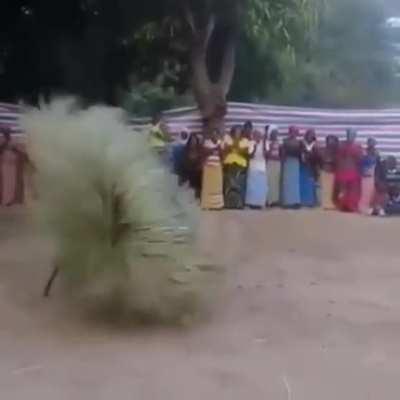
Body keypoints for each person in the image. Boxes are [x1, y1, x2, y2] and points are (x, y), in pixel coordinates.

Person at [335, 128, 362, 212]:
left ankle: (351, 206)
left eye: (353, 134)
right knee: (343, 188)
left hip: (353, 170)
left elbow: (360, 159)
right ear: (346, 135)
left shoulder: (357, 146)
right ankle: (343, 205)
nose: (351, 136)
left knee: (353, 189)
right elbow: (338, 158)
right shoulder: (341, 145)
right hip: (343, 169)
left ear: (355, 136)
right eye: (349, 134)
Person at [223, 125, 250, 209]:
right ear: (233, 131)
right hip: (230, 165)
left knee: (239, 185)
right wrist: (236, 148)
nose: (237, 133)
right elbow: (225, 149)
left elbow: (246, 152)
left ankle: (239, 204)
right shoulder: (228, 139)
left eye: (239, 131)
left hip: (240, 166)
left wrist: (235, 148)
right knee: (229, 185)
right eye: (236, 131)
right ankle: (228, 204)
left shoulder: (245, 141)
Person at [0, 126, 26, 206]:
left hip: (13, 165)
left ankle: (12, 200)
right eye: (4, 132)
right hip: (5, 164)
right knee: (5, 182)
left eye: (7, 132)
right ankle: (6, 199)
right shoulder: (3, 141)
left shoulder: (14, 141)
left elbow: (21, 152)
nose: (6, 134)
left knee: (12, 182)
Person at [201, 129, 224, 210]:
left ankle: (217, 205)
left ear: (218, 135)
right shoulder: (207, 142)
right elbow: (204, 152)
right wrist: (214, 149)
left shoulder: (220, 142)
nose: (214, 136)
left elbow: (222, 154)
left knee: (217, 187)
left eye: (216, 134)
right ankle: (207, 204)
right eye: (213, 134)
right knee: (208, 187)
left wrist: (218, 148)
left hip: (217, 167)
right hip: (208, 167)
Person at [245, 130, 268, 208]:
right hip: (253, 167)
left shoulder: (264, 143)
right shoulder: (251, 143)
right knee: (253, 187)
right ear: (253, 136)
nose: (258, 137)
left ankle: (259, 203)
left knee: (260, 187)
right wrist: (255, 148)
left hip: (262, 167)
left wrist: (264, 144)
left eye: (259, 135)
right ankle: (252, 203)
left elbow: (266, 155)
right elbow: (250, 156)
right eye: (256, 135)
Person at [358, 138, 380, 215]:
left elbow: (378, 165)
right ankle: (362, 207)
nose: (371, 144)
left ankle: (370, 207)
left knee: (371, 192)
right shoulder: (363, 152)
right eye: (370, 143)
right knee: (363, 192)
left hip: (372, 174)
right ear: (367, 143)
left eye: (373, 143)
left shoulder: (377, 153)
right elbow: (359, 163)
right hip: (363, 175)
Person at [281, 126, 302, 208]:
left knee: (295, 182)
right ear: (289, 132)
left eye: (295, 131)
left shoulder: (299, 142)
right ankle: (287, 202)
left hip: (295, 162)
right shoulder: (285, 141)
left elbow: (300, 153)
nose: (294, 133)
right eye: (292, 131)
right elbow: (283, 152)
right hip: (288, 161)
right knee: (287, 182)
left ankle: (295, 201)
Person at [319, 135, 339, 210]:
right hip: (324, 171)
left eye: (332, 141)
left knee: (332, 189)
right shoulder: (323, 150)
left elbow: (337, 161)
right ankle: (325, 203)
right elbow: (321, 160)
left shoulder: (337, 152)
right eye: (329, 141)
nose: (331, 143)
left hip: (333, 172)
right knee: (325, 188)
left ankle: (332, 203)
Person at [300, 129, 319, 207]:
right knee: (304, 184)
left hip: (312, 167)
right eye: (309, 135)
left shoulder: (315, 145)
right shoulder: (302, 144)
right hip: (303, 166)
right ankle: (303, 201)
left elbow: (317, 156)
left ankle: (312, 201)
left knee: (311, 184)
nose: (310, 137)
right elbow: (300, 153)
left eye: (312, 135)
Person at [182, 133, 203, 199]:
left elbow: (201, 162)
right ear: (189, 141)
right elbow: (184, 162)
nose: (193, 142)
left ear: (197, 141)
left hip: (197, 173)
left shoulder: (199, 150)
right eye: (192, 140)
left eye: (194, 140)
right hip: (188, 172)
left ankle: (197, 196)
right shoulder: (185, 150)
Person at [266, 125, 282, 206]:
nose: (275, 135)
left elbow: (281, 153)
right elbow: (267, 154)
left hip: (277, 163)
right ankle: (269, 200)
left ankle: (275, 200)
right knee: (269, 182)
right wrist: (271, 146)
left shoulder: (279, 142)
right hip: (270, 163)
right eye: (273, 133)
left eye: (276, 133)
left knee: (276, 182)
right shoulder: (267, 142)